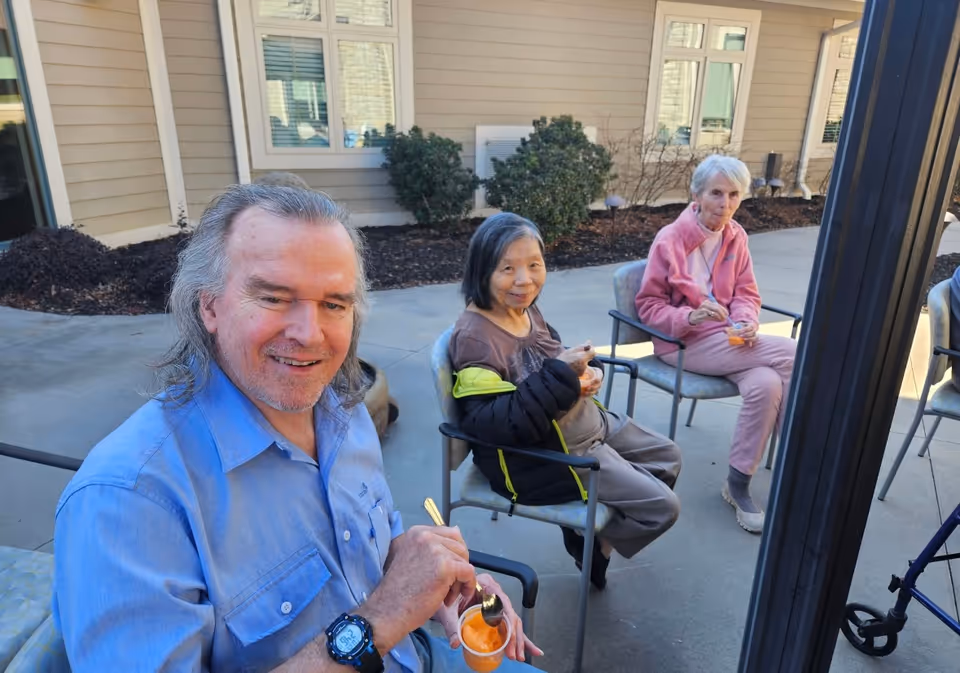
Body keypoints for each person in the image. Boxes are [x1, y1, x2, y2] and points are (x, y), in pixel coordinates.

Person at [51, 185, 542, 672]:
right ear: (210, 307)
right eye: (274, 298)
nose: (310, 335)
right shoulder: (128, 501)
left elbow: (370, 551)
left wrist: (431, 575)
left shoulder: (342, 412)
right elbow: (382, 611)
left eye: (334, 304)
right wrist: (382, 618)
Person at [448, 212, 682, 591]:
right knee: (663, 508)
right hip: (553, 453)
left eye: (534, 265)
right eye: (507, 268)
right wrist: (563, 376)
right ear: (482, 271)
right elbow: (494, 424)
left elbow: (557, 355)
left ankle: (588, 531)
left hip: (585, 420)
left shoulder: (525, 309)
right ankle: (595, 545)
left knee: (668, 457)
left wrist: (589, 370)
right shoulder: (476, 338)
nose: (524, 280)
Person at [635, 155, 796, 535]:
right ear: (696, 194)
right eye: (717, 193)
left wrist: (746, 320)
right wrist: (687, 318)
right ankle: (799, 469)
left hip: (729, 339)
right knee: (795, 353)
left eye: (734, 195)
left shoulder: (736, 236)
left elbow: (746, 293)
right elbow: (648, 306)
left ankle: (737, 484)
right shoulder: (670, 240)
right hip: (683, 344)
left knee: (766, 384)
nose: (725, 204)